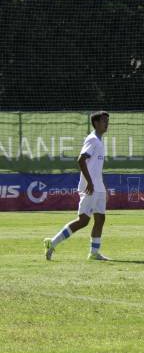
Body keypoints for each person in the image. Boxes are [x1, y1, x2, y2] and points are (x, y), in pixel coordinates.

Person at [43, 111, 111, 261]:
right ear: (96, 123)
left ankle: (94, 253)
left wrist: (103, 187)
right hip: (90, 187)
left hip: (98, 188)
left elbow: (97, 168)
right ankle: (52, 243)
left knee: (100, 219)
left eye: (107, 120)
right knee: (83, 221)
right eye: (104, 120)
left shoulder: (99, 141)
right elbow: (81, 160)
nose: (107, 123)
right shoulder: (92, 140)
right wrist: (90, 183)